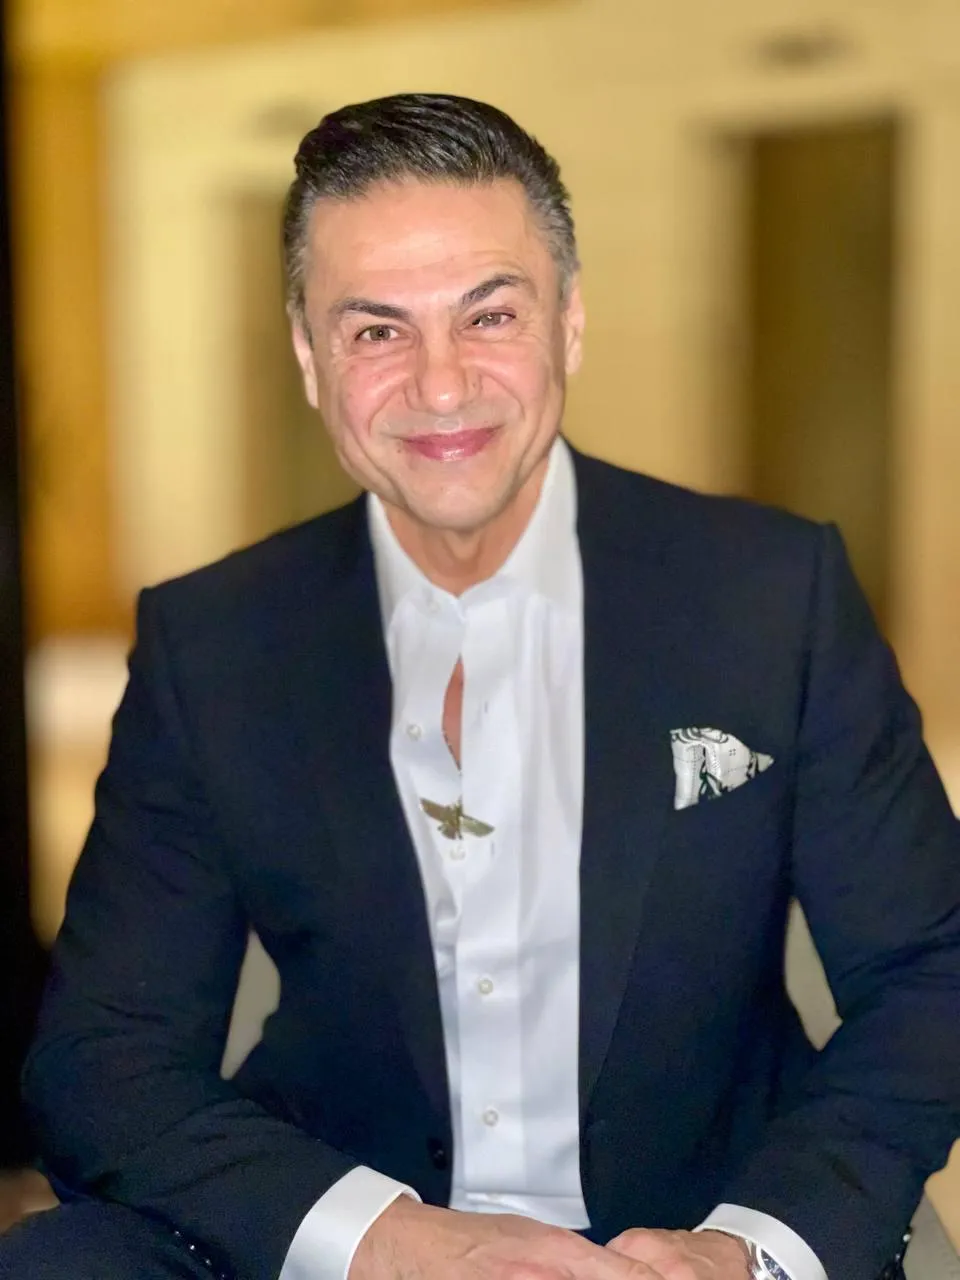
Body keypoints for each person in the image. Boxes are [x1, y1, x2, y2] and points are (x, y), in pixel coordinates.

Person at [1, 93, 958, 1280]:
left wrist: (744, 1251)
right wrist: (388, 1240)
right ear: (309, 356)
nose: (441, 386)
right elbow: (101, 1054)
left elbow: (930, 970)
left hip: (684, 1236)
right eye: (376, 330)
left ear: (570, 322)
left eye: (489, 314)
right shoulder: (215, 642)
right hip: (351, 1229)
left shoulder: (772, 594)